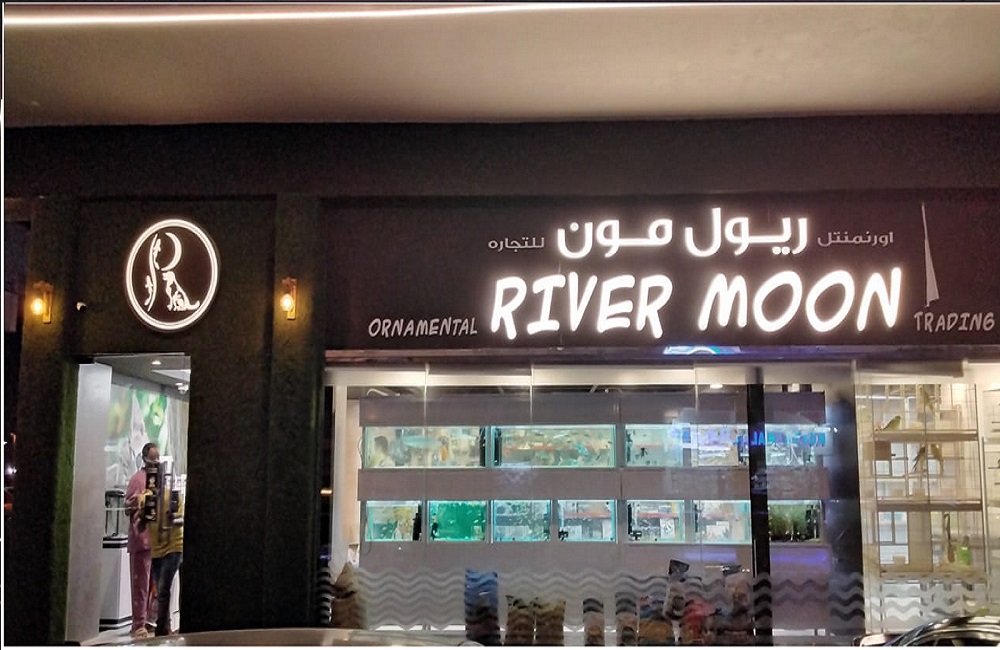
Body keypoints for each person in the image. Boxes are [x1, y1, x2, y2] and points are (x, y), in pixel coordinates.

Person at [124, 442, 158, 639]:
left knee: (152, 583)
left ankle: (147, 620)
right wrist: (140, 500)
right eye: (152, 459)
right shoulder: (137, 479)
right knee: (140, 583)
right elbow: (127, 506)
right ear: (145, 460)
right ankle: (138, 623)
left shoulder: (158, 480)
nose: (155, 463)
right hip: (141, 539)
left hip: (156, 540)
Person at [150, 463, 184, 636]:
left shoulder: (172, 496)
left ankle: (161, 628)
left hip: (173, 547)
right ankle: (165, 625)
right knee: (161, 589)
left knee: (163, 588)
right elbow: (141, 522)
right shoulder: (147, 498)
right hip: (156, 549)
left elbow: (182, 518)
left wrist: (173, 518)